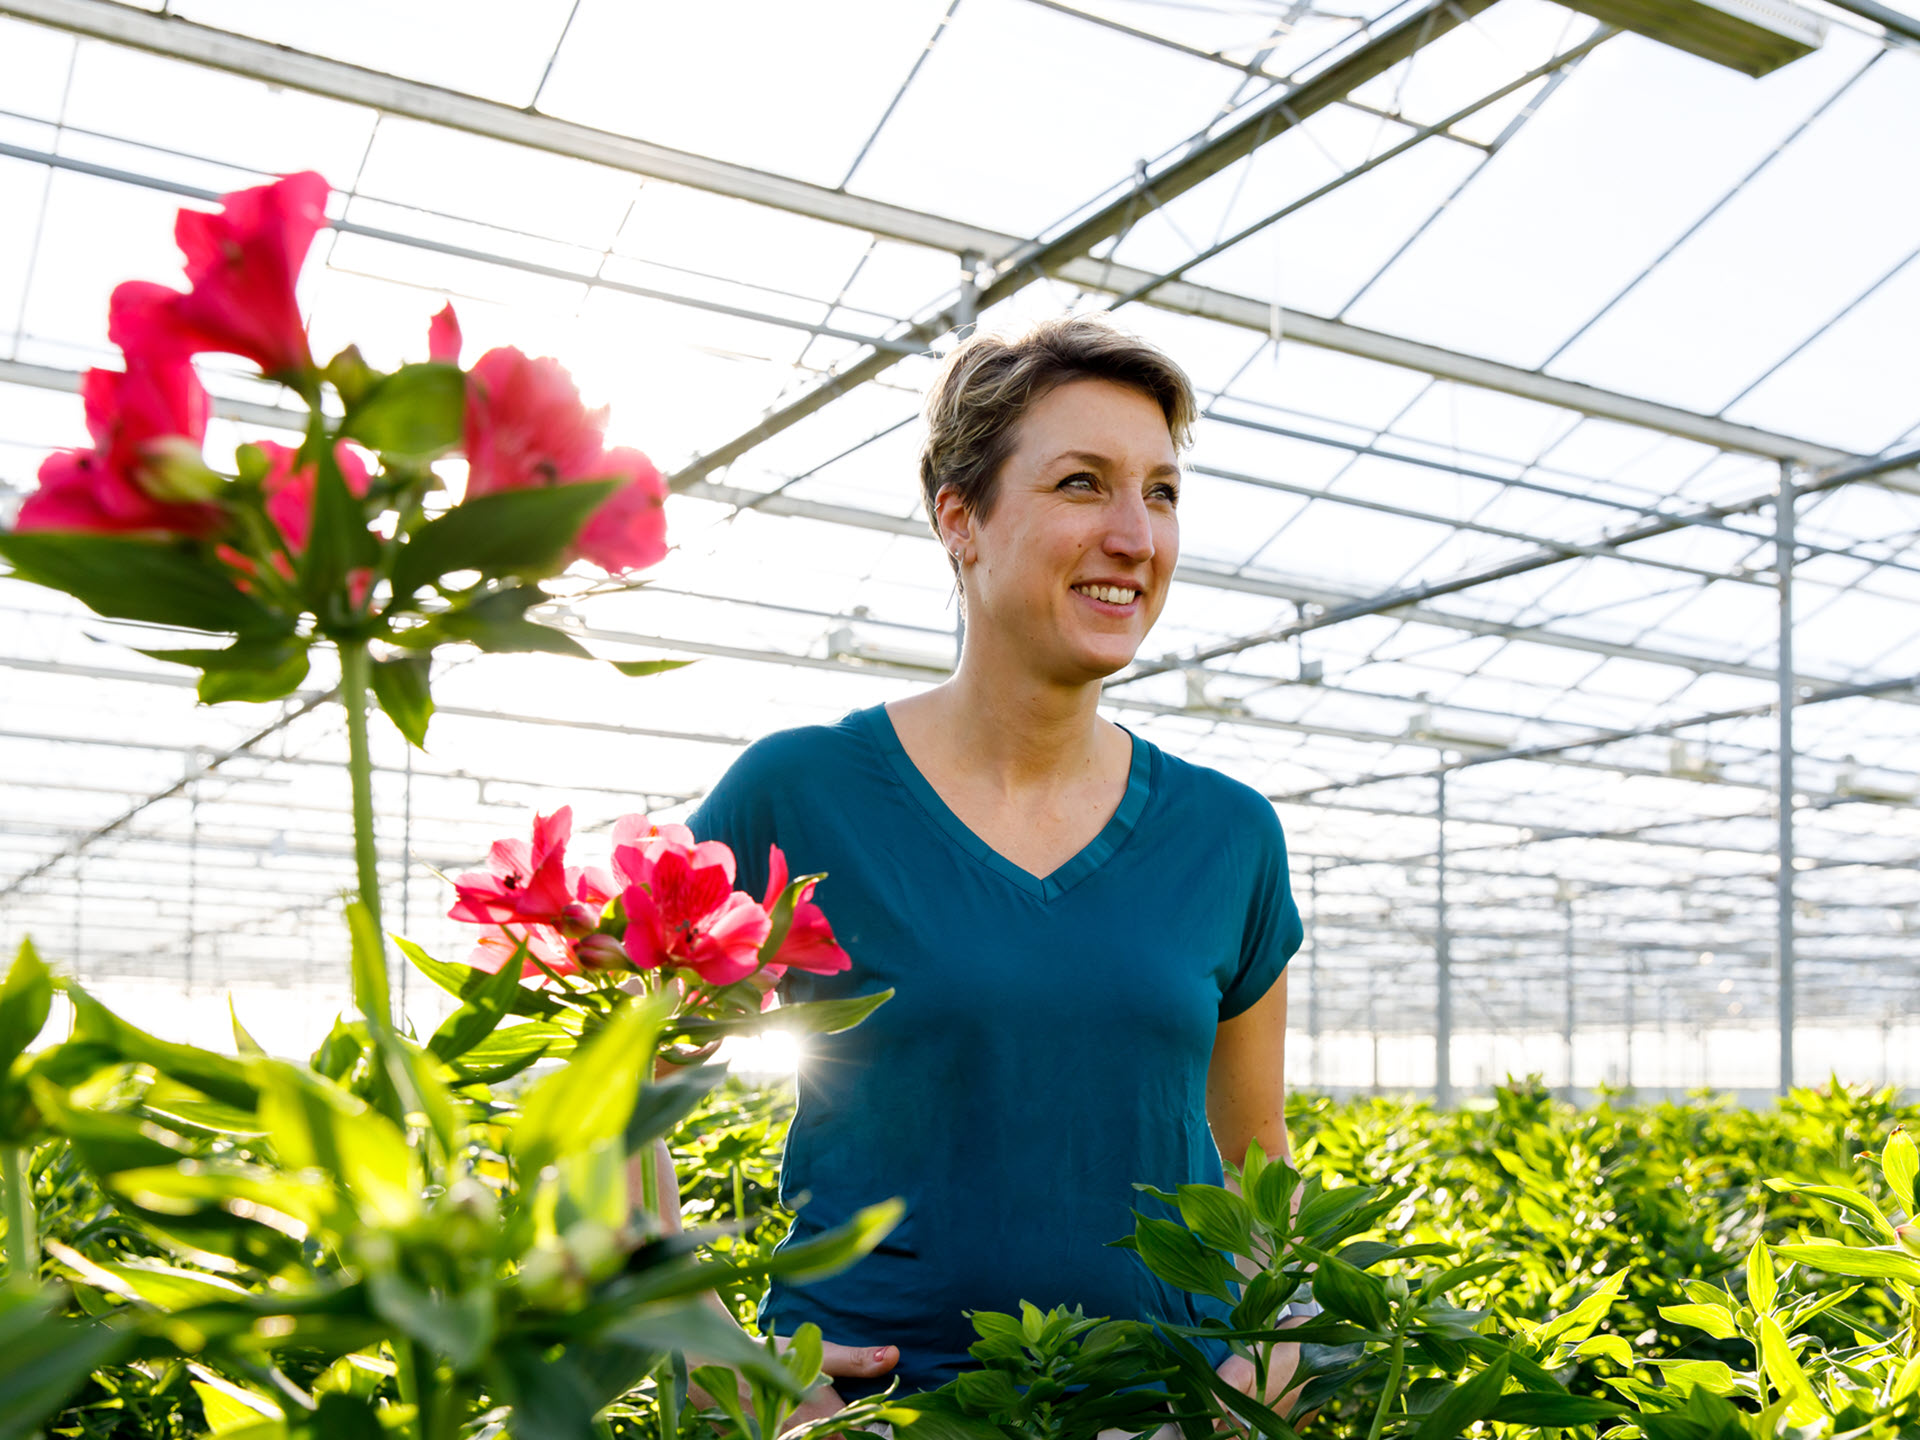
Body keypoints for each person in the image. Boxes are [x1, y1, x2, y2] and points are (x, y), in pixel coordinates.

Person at [676, 314, 1306, 1418]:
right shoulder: (799, 796)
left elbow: (1254, 1154)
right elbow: (604, 1112)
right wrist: (698, 1338)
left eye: (1161, 493)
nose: (1135, 535)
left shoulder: (1230, 834)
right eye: (1081, 484)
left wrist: (1279, 1341)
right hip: (873, 1415)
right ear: (958, 519)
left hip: (1163, 1414)